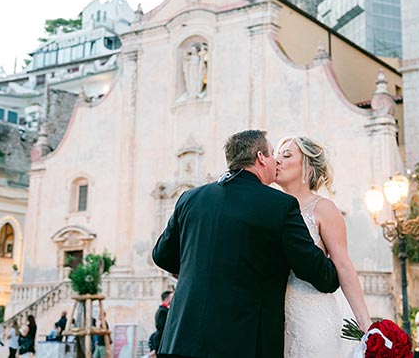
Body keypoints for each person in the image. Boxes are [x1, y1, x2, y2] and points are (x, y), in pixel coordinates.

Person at [152, 129, 340, 358]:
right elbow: (317, 272)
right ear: (261, 158)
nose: (276, 161)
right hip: (243, 343)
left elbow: (161, 255)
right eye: (272, 154)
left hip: (181, 340)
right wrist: (331, 265)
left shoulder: (191, 198)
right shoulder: (279, 205)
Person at [275, 135, 372, 357]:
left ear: (307, 167)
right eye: (277, 155)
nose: (277, 160)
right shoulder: (270, 207)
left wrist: (367, 325)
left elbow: (343, 265)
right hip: (275, 318)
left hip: (313, 316)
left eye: (286, 155)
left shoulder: (323, 208)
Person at [149, 290, 174, 356]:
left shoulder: (163, 310)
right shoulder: (162, 311)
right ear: (167, 299)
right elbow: (161, 327)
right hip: (160, 341)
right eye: (172, 297)